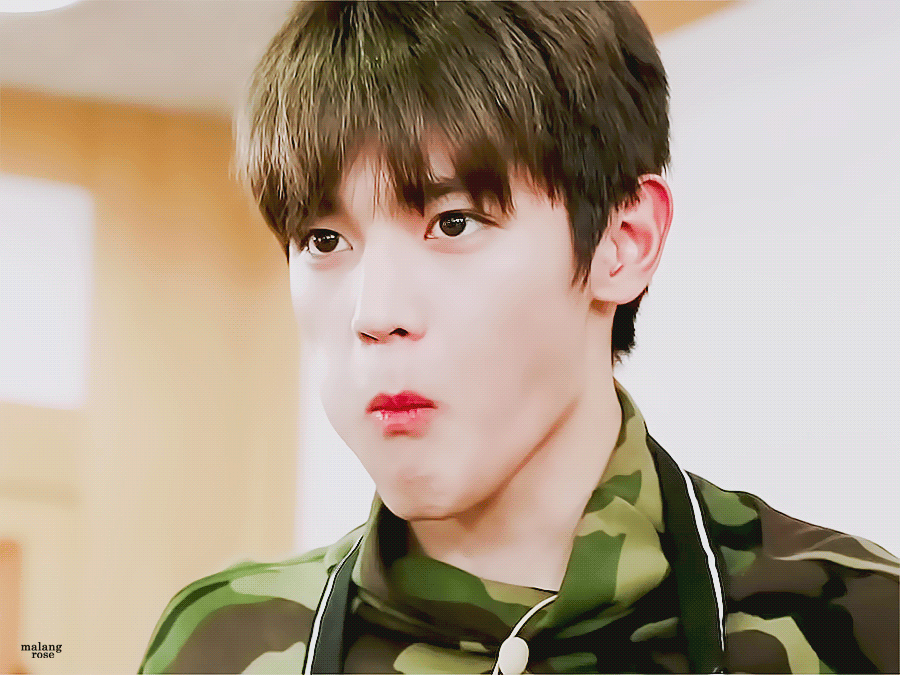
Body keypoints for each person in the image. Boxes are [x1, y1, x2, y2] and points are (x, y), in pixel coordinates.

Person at [138, 2, 899, 673]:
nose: (375, 312)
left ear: (622, 242)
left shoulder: (863, 627)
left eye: (454, 223)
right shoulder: (221, 646)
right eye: (324, 240)